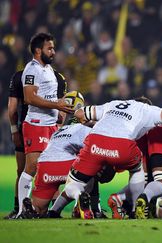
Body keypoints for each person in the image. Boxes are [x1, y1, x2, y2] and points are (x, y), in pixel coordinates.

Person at [51, 96, 162, 219]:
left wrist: (88, 123)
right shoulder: (146, 109)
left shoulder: (113, 104)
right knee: (137, 169)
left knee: (75, 182)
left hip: (95, 143)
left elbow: (80, 113)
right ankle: (134, 210)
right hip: (121, 146)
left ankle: (54, 211)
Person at [16, 32, 74, 218]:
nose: (54, 52)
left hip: (51, 125)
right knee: (31, 167)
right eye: (50, 48)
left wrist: (60, 110)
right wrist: (56, 105)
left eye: (53, 48)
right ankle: (20, 210)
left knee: (47, 167)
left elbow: (48, 97)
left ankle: (42, 209)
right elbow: (29, 98)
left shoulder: (48, 69)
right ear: (38, 50)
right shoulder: (32, 69)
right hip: (36, 124)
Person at [6, 68, 68, 219]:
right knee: (40, 169)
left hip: (33, 127)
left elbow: (63, 106)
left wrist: (14, 130)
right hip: (33, 126)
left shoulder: (22, 75)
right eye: (49, 48)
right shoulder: (56, 76)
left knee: (24, 169)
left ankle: (23, 209)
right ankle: (27, 209)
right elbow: (12, 107)